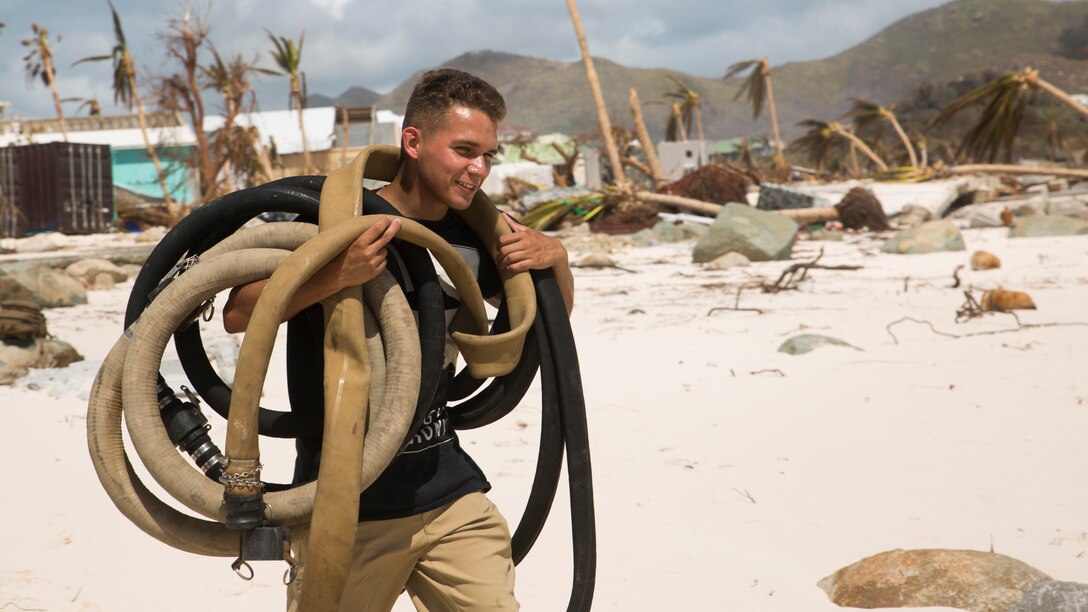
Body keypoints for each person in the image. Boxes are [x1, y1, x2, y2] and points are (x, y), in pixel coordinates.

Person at [222, 68, 574, 611]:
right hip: (346, 505)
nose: (477, 169)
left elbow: (548, 331)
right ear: (412, 142)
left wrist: (557, 265)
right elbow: (241, 312)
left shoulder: (475, 237)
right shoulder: (329, 218)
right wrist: (334, 275)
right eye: (463, 150)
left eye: (488, 155)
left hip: (449, 492)